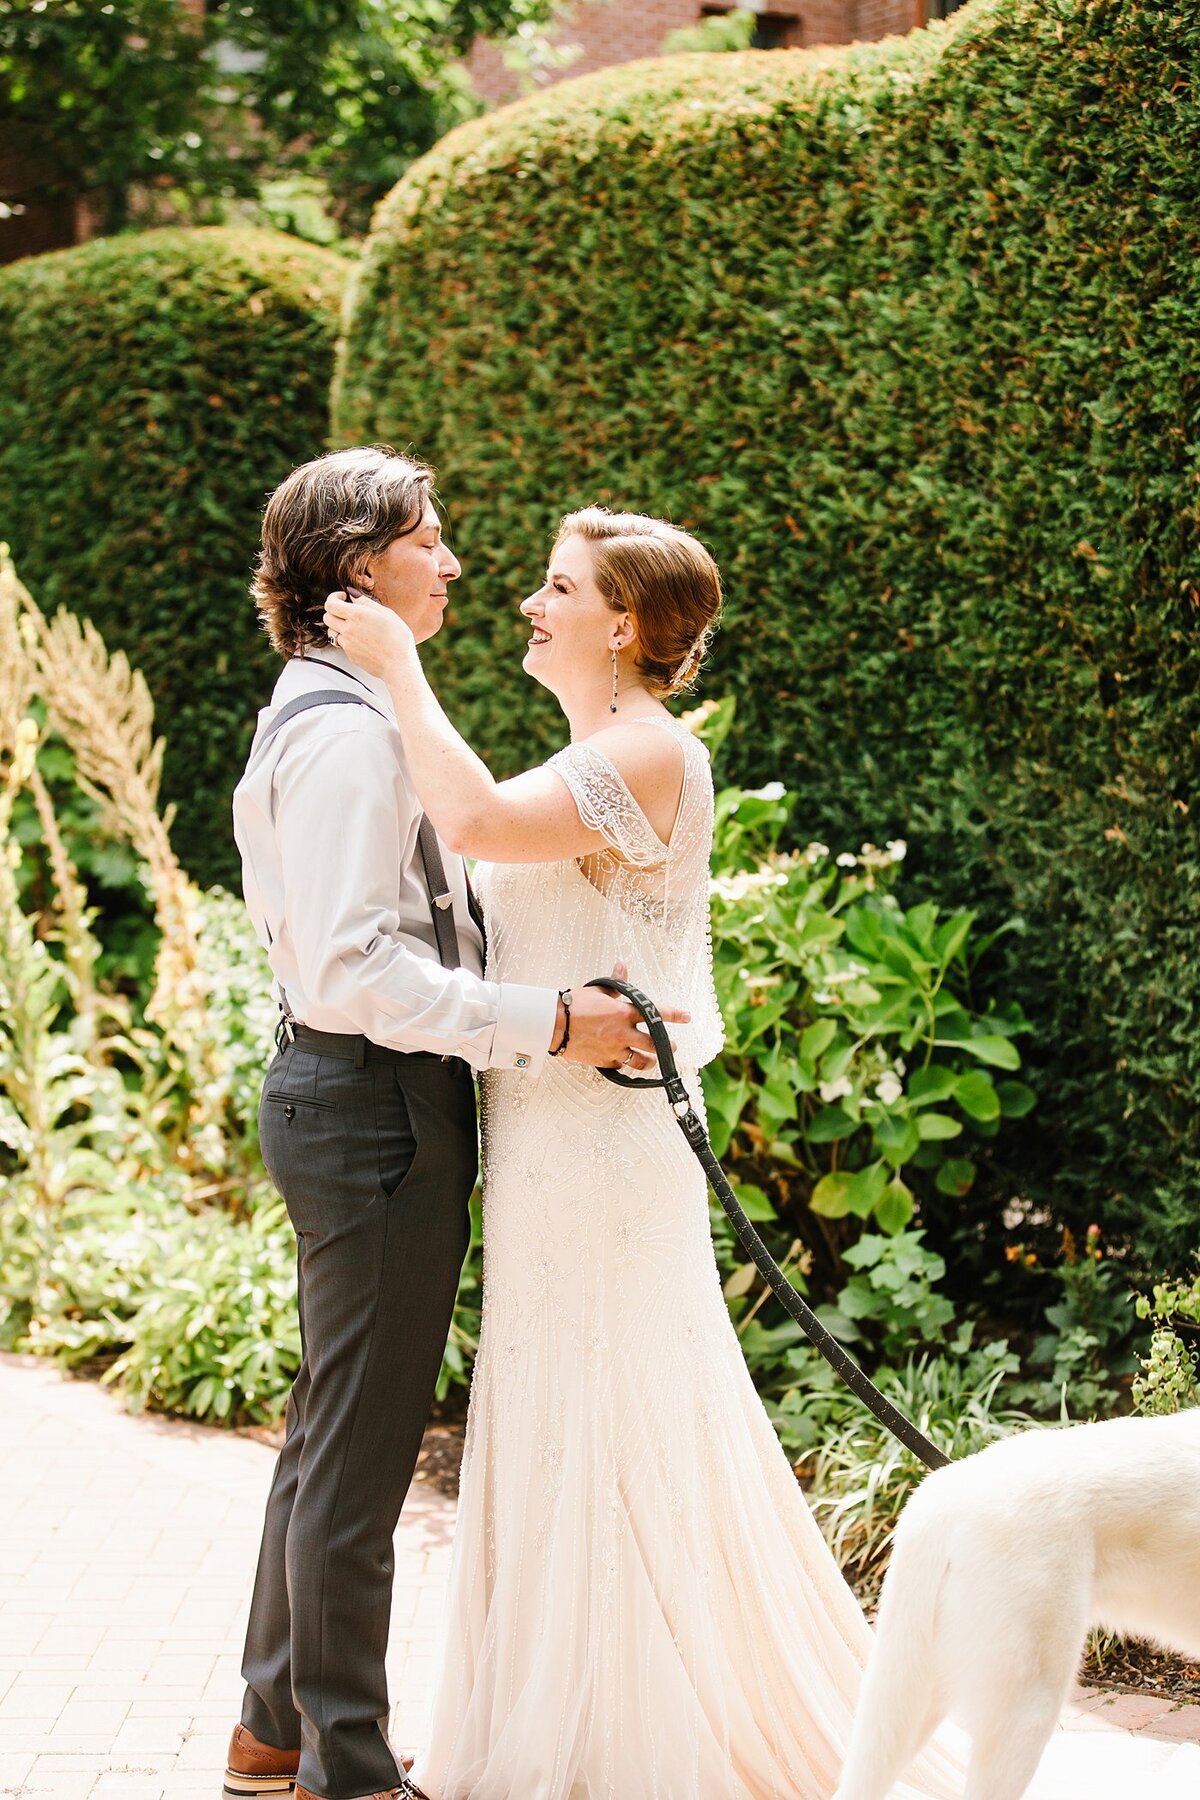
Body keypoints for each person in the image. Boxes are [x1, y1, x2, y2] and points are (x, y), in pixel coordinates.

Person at [324, 509, 1200, 1800]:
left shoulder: (648, 751)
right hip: (552, 1143)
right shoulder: (597, 750)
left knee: (624, 1416)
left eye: (557, 586)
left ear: (622, 624)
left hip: (609, 1165)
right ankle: (561, 1720)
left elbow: (476, 825)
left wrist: (395, 665)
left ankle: (636, 1742)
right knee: (566, 1419)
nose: (528, 602)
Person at [225, 449, 684, 1800]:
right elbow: (356, 971)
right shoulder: (349, 732)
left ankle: (272, 1736)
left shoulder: (349, 710)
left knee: (331, 1433)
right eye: (431, 540)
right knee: (358, 1463)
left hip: (365, 1104)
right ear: (363, 565)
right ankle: (351, 1771)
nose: (457, 563)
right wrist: (547, 1019)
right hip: (372, 1109)